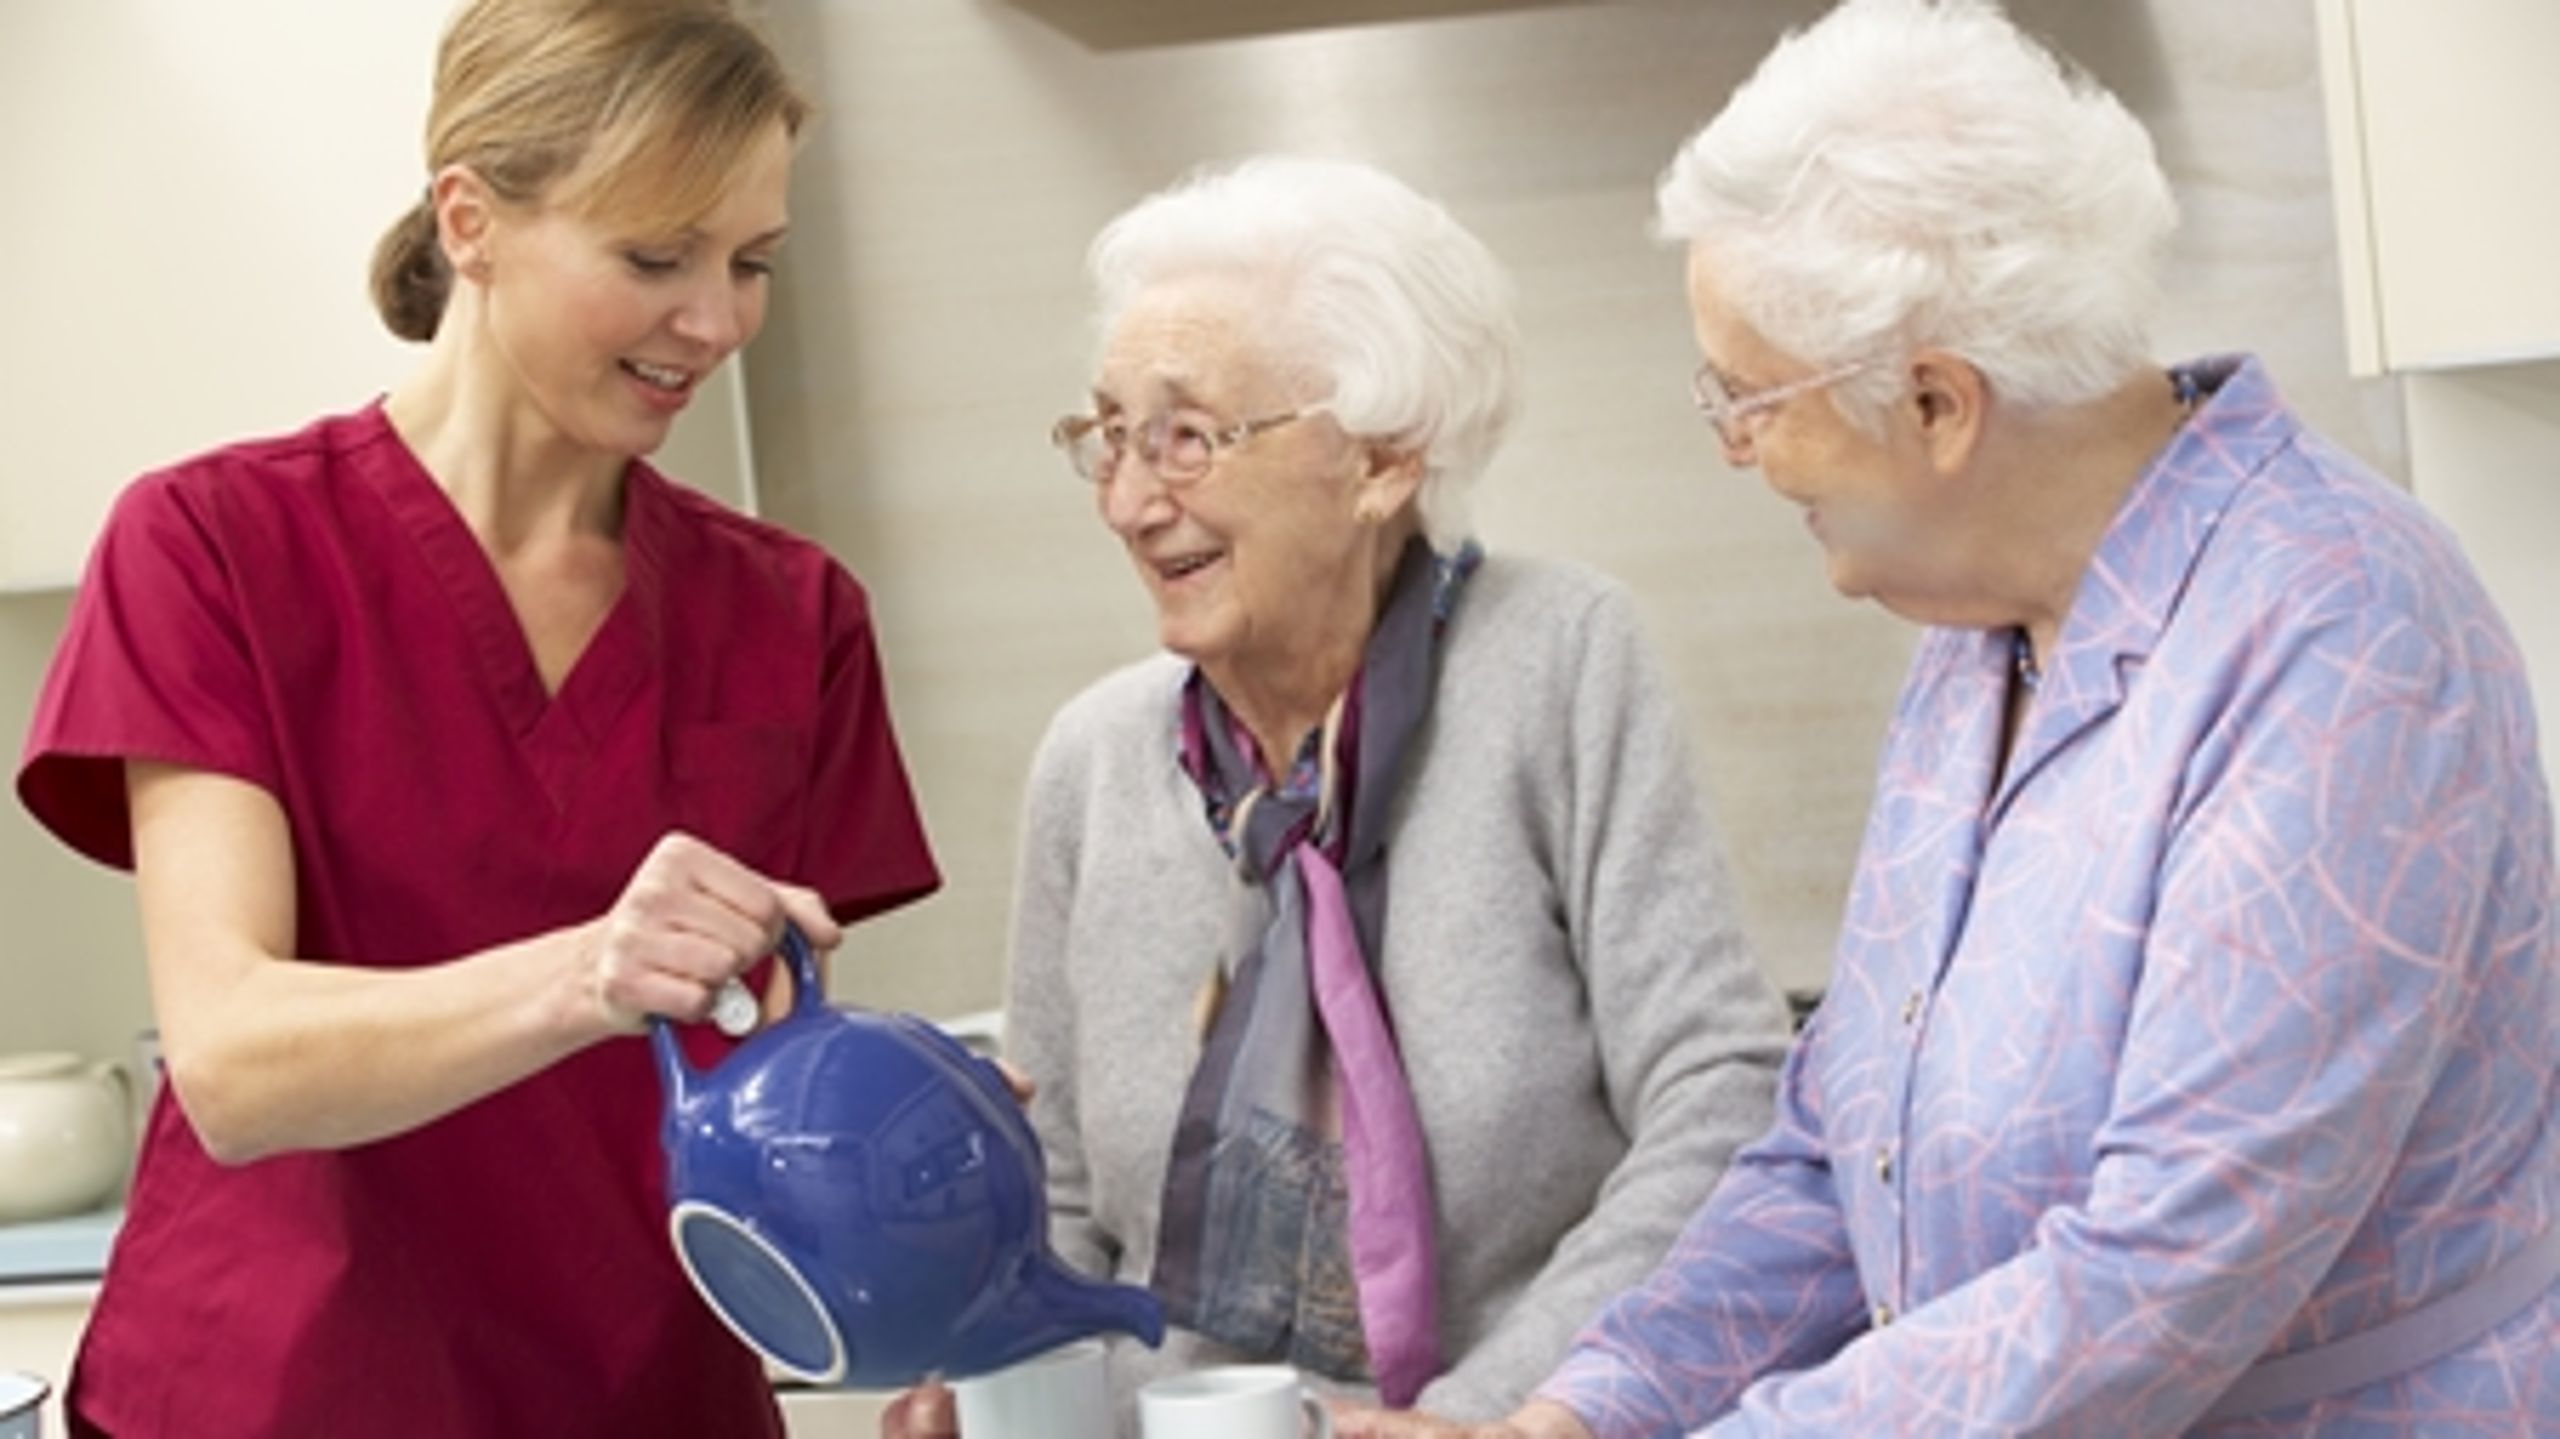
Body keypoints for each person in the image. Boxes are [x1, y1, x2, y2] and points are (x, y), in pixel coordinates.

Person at [1388, 1, 2560, 1435]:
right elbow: (1835, 1150)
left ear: (1938, 402)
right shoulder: (1977, 630)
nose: (1736, 447)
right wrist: (1587, 1407)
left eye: (1748, 397)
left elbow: (2170, 1262)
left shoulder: (2345, 631)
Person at [13, 1, 940, 1434]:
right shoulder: (214, 546)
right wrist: (591, 970)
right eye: (655, 256)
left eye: (750, 263)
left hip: (650, 1400)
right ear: (471, 217)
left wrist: (931, 1168)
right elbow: (235, 1058)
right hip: (278, 1396)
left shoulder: (792, 614)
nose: (715, 321)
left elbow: (762, 1086)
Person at [881, 156, 1790, 1438]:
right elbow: (1062, 1208)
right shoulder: (1093, 759)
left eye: (1188, 436)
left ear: (1381, 462)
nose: (1133, 501)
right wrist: (991, 1386)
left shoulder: (1560, 660)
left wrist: (1486, 1416)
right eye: (1110, 436)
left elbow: (1718, 1098)